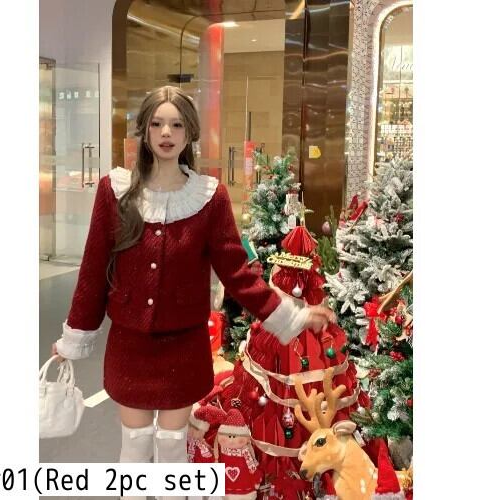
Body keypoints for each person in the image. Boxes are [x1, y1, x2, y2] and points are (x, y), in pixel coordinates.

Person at [51, 85, 336, 499]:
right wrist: (74, 337)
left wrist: (294, 316)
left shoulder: (208, 196)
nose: (166, 133)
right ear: (145, 131)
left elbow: (237, 273)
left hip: (183, 347)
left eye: (176, 125)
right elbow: (94, 270)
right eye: (157, 124)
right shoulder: (115, 192)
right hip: (130, 345)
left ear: (190, 133)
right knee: (134, 446)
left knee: (172, 447)